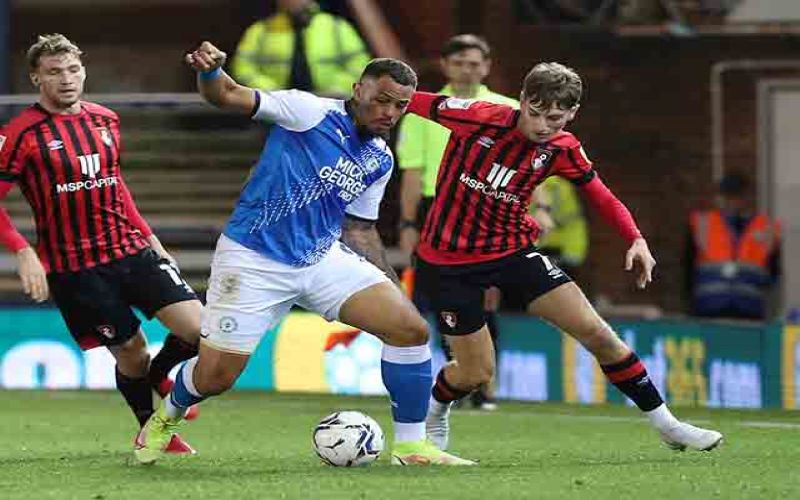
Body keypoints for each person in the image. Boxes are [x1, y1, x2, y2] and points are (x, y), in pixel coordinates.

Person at [134, 41, 473, 466]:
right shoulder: (308, 111)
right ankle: (167, 416)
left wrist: (389, 284)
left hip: (320, 257)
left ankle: (411, 446)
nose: (389, 112)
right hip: (253, 259)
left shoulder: (380, 158)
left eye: (400, 106)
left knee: (408, 328)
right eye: (382, 100)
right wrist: (210, 73)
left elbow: (361, 229)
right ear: (358, 90)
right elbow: (228, 94)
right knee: (215, 377)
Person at [405, 62, 723, 453]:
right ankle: (436, 413)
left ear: (571, 114)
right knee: (476, 372)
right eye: (534, 114)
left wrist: (635, 238)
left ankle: (667, 424)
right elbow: (404, 100)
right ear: (521, 101)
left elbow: (602, 196)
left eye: (554, 118)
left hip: (512, 252)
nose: (542, 126)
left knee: (600, 335)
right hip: (448, 262)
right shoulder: (478, 117)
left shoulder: (563, 148)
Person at [0, 34, 203, 454]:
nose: (66, 79)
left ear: (84, 70)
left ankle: (160, 375)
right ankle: (152, 427)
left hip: (130, 249)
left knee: (200, 330)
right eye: (54, 72)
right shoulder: (19, 135)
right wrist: (23, 250)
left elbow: (114, 184)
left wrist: (150, 235)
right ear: (36, 78)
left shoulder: (105, 119)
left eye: (73, 69)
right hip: (75, 267)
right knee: (131, 351)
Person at [397, 34, 516, 411]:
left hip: (489, 208)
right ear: (446, 66)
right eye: (460, 62)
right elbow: (412, 173)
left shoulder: (509, 109)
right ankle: (448, 377)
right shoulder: (425, 111)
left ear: (488, 66)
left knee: (488, 298)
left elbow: (525, 169)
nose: (468, 68)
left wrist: (534, 210)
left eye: (475, 62)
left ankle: (484, 385)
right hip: (436, 210)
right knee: (428, 301)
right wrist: (406, 223)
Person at [687, 172, 781, 320]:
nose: (733, 201)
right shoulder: (702, 224)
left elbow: (774, 274)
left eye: (737, 196)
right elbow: (687, 270)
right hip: (709, 311)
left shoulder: (766, 229)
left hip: (750, 312)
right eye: (729, 196)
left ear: (748, 197)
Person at [232, 0, 370, 97]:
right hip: (277, 109)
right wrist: (270, 92)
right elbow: (242, 68)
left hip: (329, 105)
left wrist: (338, 88)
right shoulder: (260, 30)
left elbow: (360, 65)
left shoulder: (336, 27)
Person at [531, 175, 589, 278]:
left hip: (560, 247)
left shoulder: (552, 185)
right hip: (566, 246)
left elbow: (550, 219)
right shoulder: (559, 183)